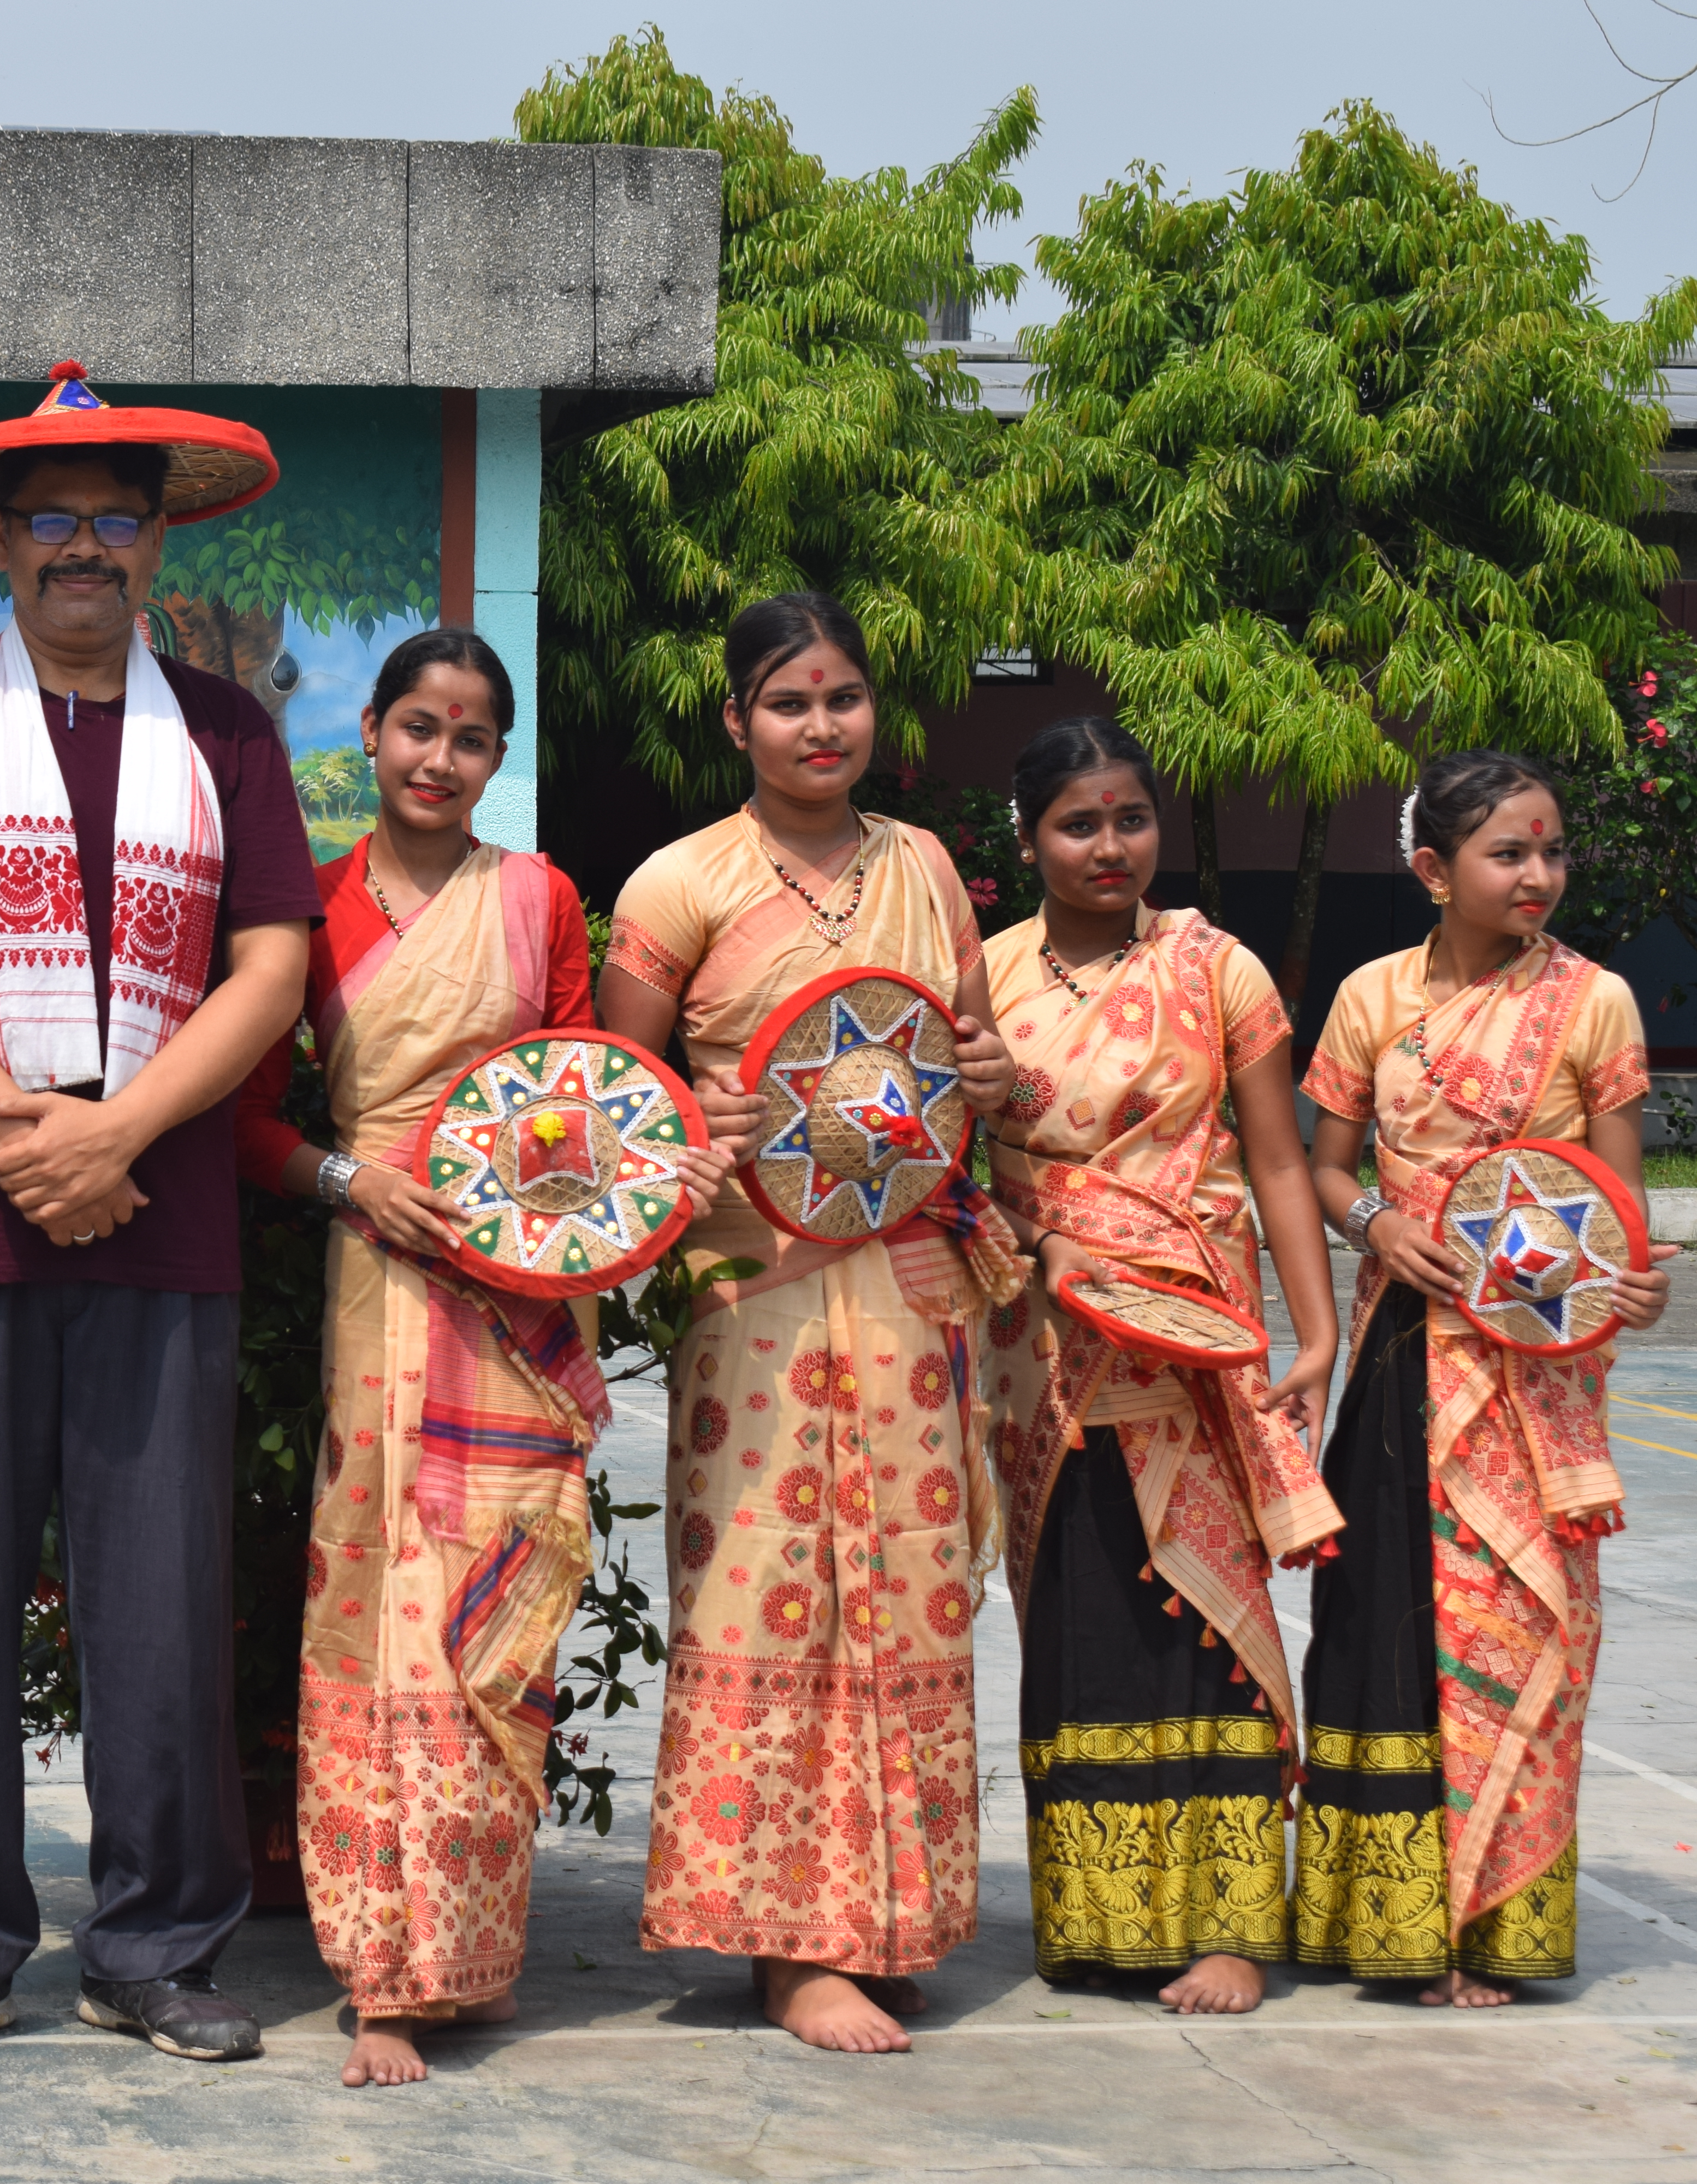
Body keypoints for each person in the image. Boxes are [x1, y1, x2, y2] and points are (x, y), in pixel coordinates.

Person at [0, 362, 315, 2068]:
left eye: (115, 518)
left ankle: (156, 1944)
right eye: (51, 521)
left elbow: (272, 965)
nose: (83, 548)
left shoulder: (226, 733)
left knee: (159, 1597)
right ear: (1, 545)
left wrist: (122, 1136)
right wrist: (22, 1127)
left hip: (155, 1223)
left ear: (157, 539)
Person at [235, 630, 735, 2087]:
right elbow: (251, 1119)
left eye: (469, 737)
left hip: (526, 1295)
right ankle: (383, 1975)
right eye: (415, 729)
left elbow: (585, 1090)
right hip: (382, 1288)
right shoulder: (307, 908)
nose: (438, 759)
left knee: (498, 1610)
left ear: (496, 759)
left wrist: (665, 1175)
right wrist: (348, 1181)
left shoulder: (540, 899)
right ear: (371, 735)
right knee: (385, 1613)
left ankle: (474, 1952)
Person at [598, 591, 1020, 2055]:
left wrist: (989, 1067)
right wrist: (689, 1120)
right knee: (770, 1598)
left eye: (843, 697)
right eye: (790, 702)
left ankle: (889, 1916)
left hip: (910, 1284)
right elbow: (613, 1115)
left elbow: (970, 1063)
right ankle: (783, 1943)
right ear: (737, 722)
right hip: (755, 1294)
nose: (822, 725)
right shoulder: (679, 884)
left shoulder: (929, 867)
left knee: (904, 1594)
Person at [978, 717, 1345, 2014]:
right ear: (1028, 839)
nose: (1110, 846)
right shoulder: (983, 980)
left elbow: (1282, 1156)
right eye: (1079, 823)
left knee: (1209, 1617)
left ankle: (1233, 1926)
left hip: (1192, 1343)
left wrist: (1319, 1328)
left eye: (1131, 819)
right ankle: (1096, 1911)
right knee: (1080, 1612)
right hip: (1041, 1347)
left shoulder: (1217, 968)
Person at [1298, 747, 1674, 2005]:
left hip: (1534, 1370)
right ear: (1430, 870)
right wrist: (1372, 1227)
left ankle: (1493, 1925)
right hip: (1406, 1351)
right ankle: (1388, 1924)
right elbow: (1326, 1165)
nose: (1538, 874)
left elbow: (1614, 1209)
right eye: (1508, 852)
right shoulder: (1369, 1000)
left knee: (1521, 1638)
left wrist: (1636, 1281)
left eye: (1551, 850)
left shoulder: (1596, 1003)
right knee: (1387, 1631)